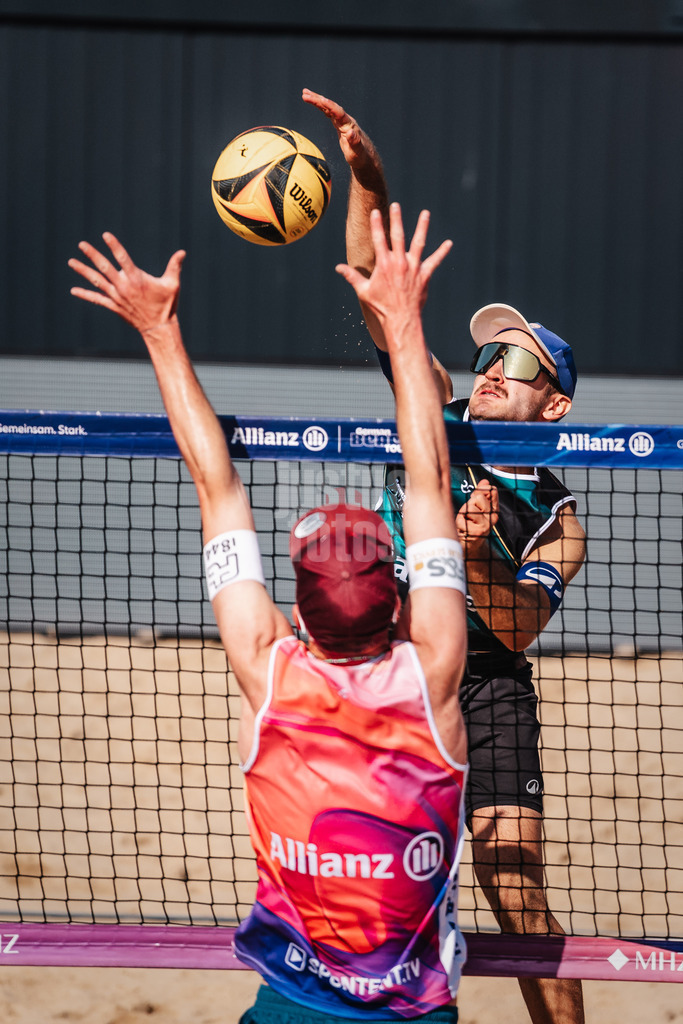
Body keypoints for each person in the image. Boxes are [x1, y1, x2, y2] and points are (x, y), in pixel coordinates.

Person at [69, 204, 474, 1022]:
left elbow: (214, 486)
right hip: (414, 1012)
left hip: (292, 1005)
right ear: (399, 602)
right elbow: (429, 480)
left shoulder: (269, 667)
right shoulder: (430, 673)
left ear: (296, 607)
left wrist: (159, 330)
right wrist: (403, 321)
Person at [304, 89, 587, 1024]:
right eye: (490, 356)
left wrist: (472, 559)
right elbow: (370, 280)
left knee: (516, 889)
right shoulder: (432, 412)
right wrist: (366, 177)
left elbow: (515, 627)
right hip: (396, 666)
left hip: (488, 682)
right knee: (381, 888)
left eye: (518, 364)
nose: (492, 367)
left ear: (553, 406)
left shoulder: (557, 516)